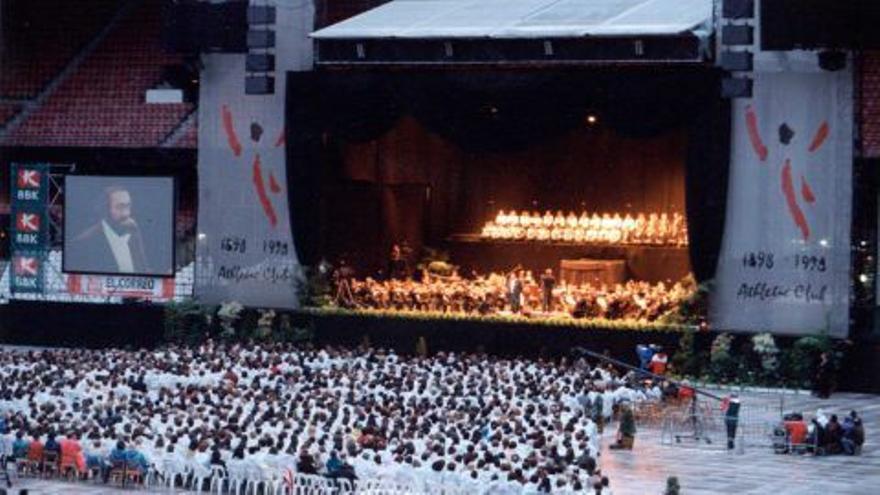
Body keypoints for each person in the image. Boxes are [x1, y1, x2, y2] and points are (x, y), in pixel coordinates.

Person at [68, 185, 150, 274]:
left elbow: (143, 271)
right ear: (105, 209)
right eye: (120, 207)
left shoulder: (133, 232)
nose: (126, 213)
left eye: (128, 206)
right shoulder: (84, 242)